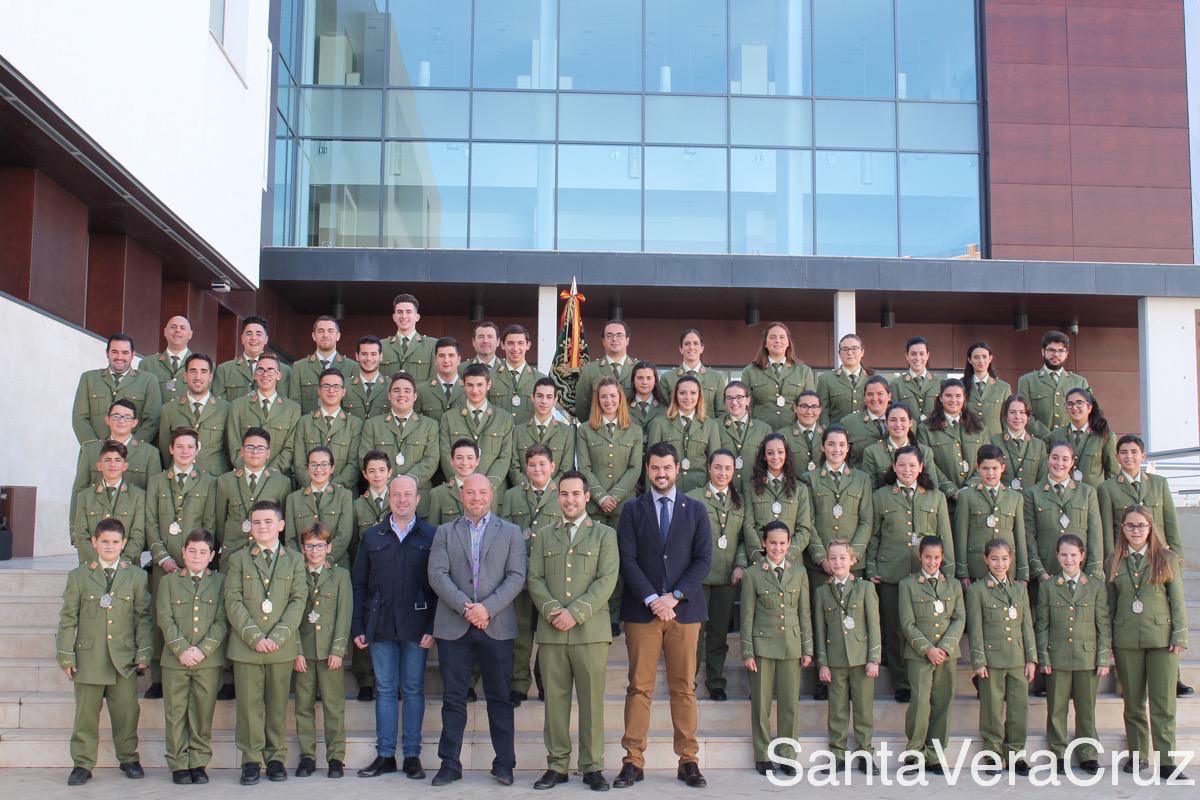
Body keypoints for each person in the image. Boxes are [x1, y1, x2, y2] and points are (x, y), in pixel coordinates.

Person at [615, 442, 712, 789]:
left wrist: (675, 596)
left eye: (666, 467)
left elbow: (703, 560)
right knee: (639, 688)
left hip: (684, 613)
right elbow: (627, 559)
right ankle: (632, 761)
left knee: (683, 688)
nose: (661, 473)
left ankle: (688, 760)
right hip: (643, 613)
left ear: (676, 469)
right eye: (655, 468)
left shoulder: (696, 510)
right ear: (647, 469)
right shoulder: (632, 510)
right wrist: (654, 598)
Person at [427, 474, 527, 787]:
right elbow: (437, 575)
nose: (476, 498)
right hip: (454, 625)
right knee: (454, 698)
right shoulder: (445, 532)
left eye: (482, 492)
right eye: (470, 492)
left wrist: (487, 609)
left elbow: (516, 577)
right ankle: (449, 763)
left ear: (491, 494)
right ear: (461, 495)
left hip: (495, 625)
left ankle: (505, 764)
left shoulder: (510, 532)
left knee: (499, 697)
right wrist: (466, 608)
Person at [527, 470, 620, 792]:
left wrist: (576, 613)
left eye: (576, 494)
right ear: (558, 496)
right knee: (555, 702)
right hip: (552, 631)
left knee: (592, 703)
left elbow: (606, 580)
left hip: (590, 631)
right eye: (564, 494)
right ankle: (557, 765)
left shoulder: (604, 535)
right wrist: (554, 610)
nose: (569, 500)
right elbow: (535, 578)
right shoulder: (543, 535)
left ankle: (593, 766)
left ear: (587, 497)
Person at [352, 475, 437, 781]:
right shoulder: (373, 536)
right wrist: (358, 625)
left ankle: (412, 755)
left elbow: (437, 586)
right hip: (381, 624)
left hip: (416, 626)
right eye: (397, 495)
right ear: (389, 498)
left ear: (418, 499)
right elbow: (360, 583)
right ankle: (386, 755)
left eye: (408, 495)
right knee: (386, 689)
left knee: (413, 690)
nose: (402, 500)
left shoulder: (431, 535)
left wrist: (432, 625)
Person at [56, 517, 153, 786]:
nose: (110, 546)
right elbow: (68, 619)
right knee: (86, 715)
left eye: (115, 542)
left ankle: (129, 758)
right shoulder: (79, 576)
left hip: (123, 658)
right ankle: (82, 763)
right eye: (105, 541)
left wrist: (143, 653)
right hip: (89, 658)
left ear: (124, 544)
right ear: (94, 543)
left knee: (126, 712)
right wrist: (66, 654)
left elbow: (143, 617)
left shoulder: (136, 575)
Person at [225, 500, 307, 785]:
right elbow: (233, 600)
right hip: (247, 646)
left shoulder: (295, 559)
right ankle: (250, 759)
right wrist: (255, 636)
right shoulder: (238, 559)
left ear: (281, 525)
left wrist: (278, 636)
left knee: (276, 705)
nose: (262, 527)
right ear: (250, 526)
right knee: (249, 705)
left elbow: (298, 601)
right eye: (257, 522)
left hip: (280, 647)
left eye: (268, 522)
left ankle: (275, 758)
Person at [867, 446, 953, 704]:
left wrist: (948, 571)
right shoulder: (881, 496)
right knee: (895, 628)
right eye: (901, 465)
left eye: (912, 465)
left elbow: (944, 535)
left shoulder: (935, 497)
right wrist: (871, 567)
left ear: (921, 467)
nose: (907, 470)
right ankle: (902, 682)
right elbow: (874, 535)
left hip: (925, 573)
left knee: (927, 627)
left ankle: (927, 679)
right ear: (893, 467)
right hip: (891, 572)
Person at [1108, 505, 1189, 778]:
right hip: (1126, 639)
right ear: (1123, 529)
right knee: (1133, 701)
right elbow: (1109, 605)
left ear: (1150, 528)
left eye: (1141, 525)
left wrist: (1179, 635)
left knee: (1163, 702)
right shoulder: (1114, 561)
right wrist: (1107, 641)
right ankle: (1138, 755)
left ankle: (1166, 761)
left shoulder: (1166, 558)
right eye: (1130, 525)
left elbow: (1177, 601)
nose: (1135, 531)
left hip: (1161, 640)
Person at [801, 426, 874, 699]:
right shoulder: (809, 479)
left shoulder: (861, 479)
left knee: (854, 621)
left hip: (853, 565)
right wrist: (822, 558)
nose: (836, 449)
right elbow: (807, 521)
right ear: (822, 447)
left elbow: (866, 520)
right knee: (823, 620)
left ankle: (854, 678)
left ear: (848, 448)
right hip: (820, 566)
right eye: (831, 444)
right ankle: (822, 678)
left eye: (841, 445)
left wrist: (850, 555)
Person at [145, 427, 217, 699]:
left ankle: (193, 666)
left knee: (190, 617)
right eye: (180, 446)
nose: (185, 451)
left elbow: (210, 523)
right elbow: (150, 522)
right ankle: (158, 677)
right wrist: (162, 558)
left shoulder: (208, 482)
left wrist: (198, 559)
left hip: (195, 563)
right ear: (171, 450)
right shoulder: (157, 481)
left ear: (198, 450)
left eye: (190, 446)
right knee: (161, 616)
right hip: (164, 564)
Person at [1035, 534, 1111, 775]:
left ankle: (1088, 754)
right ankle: (1058, 753)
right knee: (1056, 708)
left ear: (1082, 556)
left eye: (1073, 554)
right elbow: (1042, 625)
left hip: (1086, 658)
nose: (1069, 559)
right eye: (1064, 554)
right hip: (1057, 659)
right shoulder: (1048, 587)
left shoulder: (1096, 586)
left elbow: (1103, 625)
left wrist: (1102, 658)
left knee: (1086, 709)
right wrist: (1043, 658)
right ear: (1057, 556)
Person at [739, 521, 810, 777]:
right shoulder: (752, 574)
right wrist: (747, 652)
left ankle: (788, 755)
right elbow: (746, 616)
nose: (777, 548)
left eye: (782, 543)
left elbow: (804, 613)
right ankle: (763, 754)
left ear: (789, 543)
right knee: (761, 704)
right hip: (762, 646)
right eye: (772, 543)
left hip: (791, 646)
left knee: (790, 704)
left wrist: (807, 648)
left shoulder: (799, 572)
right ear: (764, 544)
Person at [156, 528, 226, 785]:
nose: (197, 556)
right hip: (176, 659)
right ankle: (178, 763)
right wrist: (182, 649)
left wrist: (202, 650)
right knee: (175, 713)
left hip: (207, 660)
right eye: (192, 550)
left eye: (203, 552)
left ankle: (198, 762)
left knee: (202, 712)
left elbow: (221, 621)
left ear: (212, 555)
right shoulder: (169, 582)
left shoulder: (220, 582)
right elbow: (165, 617)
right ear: (183, 552)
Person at [966, 538, 1037, 774]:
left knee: (1018, 709)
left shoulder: (1019, 589)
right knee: (992, 711)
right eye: (994, 559)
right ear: (986, 560)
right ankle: (993, 754)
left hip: (1017, 658)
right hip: (992, 660)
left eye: (1004, 559)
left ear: (1011, 559)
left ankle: (1016, 754)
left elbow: (1027, 625)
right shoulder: (977, 590)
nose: (1000, 563)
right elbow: (975, 628)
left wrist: (1031, 658)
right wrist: (978, 660)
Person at [500, 444, 562, 705]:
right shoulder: (514, 496)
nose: (537, 469)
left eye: (542, 464)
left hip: (550, 579)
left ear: (553, 467)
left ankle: (547, 682)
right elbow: (504, 534)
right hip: (520, 577)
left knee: (548, 637)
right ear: (526, 468)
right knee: (521, 633)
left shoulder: (562, 495)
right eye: (532, 464)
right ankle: (518, 683)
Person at [813, 539, 881, 774]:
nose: (838, 562)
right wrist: (822, 663)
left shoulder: (865, 589)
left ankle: (865, 754)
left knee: (863, 709)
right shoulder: (822, 592)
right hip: (836, 659)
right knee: (837, 710)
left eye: (843, 557)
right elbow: (819, 630)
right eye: (833, 558)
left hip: (862, 659)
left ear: (853, 560)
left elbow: (874, 626)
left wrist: (874, 658)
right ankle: (837, 755)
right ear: (827, 561)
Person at [898, 536, 964, 774]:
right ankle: (914, 753)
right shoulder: (908, 584)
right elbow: (907, 623)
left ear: (942, 557)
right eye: (927, 557)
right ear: (920, 557)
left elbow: (959, 618)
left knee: (942, 703)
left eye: (936, 557)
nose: (932, 562)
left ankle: (935, 754)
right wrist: (928, 649)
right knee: (920, 704)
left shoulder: (953, 585)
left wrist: (944, 648)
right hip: (920, 654)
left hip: (947, 655)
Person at [292, 522, 353, 779]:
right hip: (304, 652)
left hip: (330, 653)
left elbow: (344, 614)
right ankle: (307, 756)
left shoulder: (340, 576)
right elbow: (290, 615)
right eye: (309, 546)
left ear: (329, 547)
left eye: (319, 546)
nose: (314, 551)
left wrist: (339, 649)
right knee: (303, 706)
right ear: (302, 548)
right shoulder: (295, 574)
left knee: (333, 705)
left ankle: (336, 757)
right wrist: (295, 650)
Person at [688, 449, 746, 702]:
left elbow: (745, 539)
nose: (723, 473)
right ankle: (687, 680)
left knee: (719, 633)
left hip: (726, 577)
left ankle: (715, 681)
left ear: (734, 472)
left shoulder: (740, 501)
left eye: (728, 469)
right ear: (709, 468)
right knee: (693, 633)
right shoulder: (693, 498)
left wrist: (741, 564)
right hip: (699, 577)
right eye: (718, 467)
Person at [359, 371, 440, 516]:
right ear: (389, 395)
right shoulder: (372, 424)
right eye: (396, 390)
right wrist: (387, 485)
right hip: (382, 496)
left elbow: (431, 460)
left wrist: (407, 483)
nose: (402, 394)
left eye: (407, 391)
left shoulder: (430, 425)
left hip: (418, 496)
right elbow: (364, 459)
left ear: (415, 396)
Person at [348, 450, 392, 702]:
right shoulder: (356, 505)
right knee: (364, 621)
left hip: (391, 572)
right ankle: (365, 679)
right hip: (366, 572)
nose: (377, 475)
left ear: (389, 473)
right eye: (371, 471)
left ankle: (387, 677)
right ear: (364, 474)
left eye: (381, 470)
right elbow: (354, 541)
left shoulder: (397, 502)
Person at [71, 399, 162, 520]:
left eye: (127, 417)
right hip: (96, 526)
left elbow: (154, 497)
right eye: (116, 416)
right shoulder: (90, 451)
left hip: (134, 527)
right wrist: (74, 532)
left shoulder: (149, 453)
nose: (122, 421)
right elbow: (79, 491)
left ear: (135, 422)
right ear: (107, 420)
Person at [214, 428, 292, 565]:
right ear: (242, 452)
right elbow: (220, 522)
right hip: (233, 553)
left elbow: (283, 524)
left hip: (266, 555)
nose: (255, 452)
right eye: (250, 447)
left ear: (268, 453)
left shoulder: (281, 483)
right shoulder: (226, 481)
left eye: (261, 448)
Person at [953, 444, 1028, 584]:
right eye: (985, 468)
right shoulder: (967, 496)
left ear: (1002, 468)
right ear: (978, 468)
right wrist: (963, 572)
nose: (990, 473)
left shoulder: (1015, 498)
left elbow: (1020, 537)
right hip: (977, 568)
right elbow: (960, 535)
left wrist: (1023, 573)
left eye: (995, 468)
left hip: (1007, 570)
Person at [576, 377, 644, 530]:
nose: (608, 400)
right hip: (594, 506)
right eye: (603, 396)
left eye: (613, 395)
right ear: (597, 399)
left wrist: (614, 497)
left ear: (620, 398)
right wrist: (602, 497)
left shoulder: (634, 431)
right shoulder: (585, 430)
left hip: (624, 506)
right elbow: (584, 468)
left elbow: (635, 468)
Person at [72, 333, 162, 445]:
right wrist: (94, 448)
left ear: (133, 354)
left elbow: (152, 420)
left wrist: (132, 447)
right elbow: (79, 419)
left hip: (132, 457)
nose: (119, 357)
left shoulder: (148, 380)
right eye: (115, 352)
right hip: (95, 455)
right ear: (107, 353)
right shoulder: (89, 379)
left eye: (125, 352)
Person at [438, 363, 515, 490]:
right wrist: (462, 484)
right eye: (470, 385)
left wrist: (485, 486)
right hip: (459, 492)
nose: (475, 390)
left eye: (480, 385)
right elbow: (446, 455)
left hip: (492, 492)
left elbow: (504, 457)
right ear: (463, 385)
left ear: (488, 385)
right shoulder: (449, 418)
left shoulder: (504, 419)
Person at [741, 433, 813, 567]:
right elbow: (748, 525)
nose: (776, 457)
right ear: (764, 456)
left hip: (791, 564)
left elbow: (804, 529)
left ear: (786, 455)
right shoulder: (750, 487)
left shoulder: (800, 488)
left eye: (780, 452)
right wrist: (761, 558)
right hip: (761, 562)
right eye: (770, 453)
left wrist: (787, 556)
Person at [225, 353, 301, 478]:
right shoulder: (238, 406)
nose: (265, 374)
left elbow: (290, 449)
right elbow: (234, 446)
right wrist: (250, 472)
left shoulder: (292, 409)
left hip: (278, 479)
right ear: (255, 375)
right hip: (244, 478)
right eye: (260, 370)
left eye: (271, 370)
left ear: (278, 375)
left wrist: (268, 474)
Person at [70, 441, 146, 564]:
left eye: (118, 460)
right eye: (108, 460)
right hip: (93, 566)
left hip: (126, 566)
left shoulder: (138, 496)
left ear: (125, 466)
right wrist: (98, 562)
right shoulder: (85, 496)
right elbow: (81, 535)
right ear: (99, 466)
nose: (113, 464)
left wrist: (122, 562)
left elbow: (138, 535)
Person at [646, 374, 721, 494]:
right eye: (682, 393)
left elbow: (716, 464)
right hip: (668, 490)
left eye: (693, 393)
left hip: (700, 491)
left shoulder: (710, 425)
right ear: (676, 395)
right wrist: (650, 496)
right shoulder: (660, 423)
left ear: (699, 396)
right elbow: (651, 464)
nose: (688, 397)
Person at [159, 353, 231, 476]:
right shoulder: (169, 409)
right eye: (193, 371)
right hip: (179, 478)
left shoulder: (226, 409)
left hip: (213, 480)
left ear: (210, 376)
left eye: (203, 371)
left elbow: (229, 450)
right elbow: (166, 450)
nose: (198, 377)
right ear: (185, 376)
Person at [292, 368, 365, 489]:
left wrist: (333, 488)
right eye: (326, 386)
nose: (331, 390)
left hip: (343, 494)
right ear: (319, 391)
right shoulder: (304, 422)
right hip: (309, 493)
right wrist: (315, 487)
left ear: (343, 391)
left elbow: (354, 465)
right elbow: (299, 464)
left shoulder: (355, 424)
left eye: (336, 386)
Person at [919, 378, 989, 500]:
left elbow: (987, 459)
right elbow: (927, 463)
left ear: (964, 398)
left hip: (976, 497)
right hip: (943, 498)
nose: (953, 400)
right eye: (948, 396)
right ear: (940, 398)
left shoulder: (979, 427)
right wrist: (950, 490)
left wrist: (969, 487)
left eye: (958, 396)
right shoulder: (925, 428)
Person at [741, 322, 816, 431]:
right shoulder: (750, 371)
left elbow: (811, 405)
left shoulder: (804, 371)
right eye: (772, 337)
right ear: (765, 343)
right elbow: (745, 406)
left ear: (788, 343)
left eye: (782, 337)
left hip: (794, 433)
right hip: (760, 433)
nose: (777, 341)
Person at [285, 446, 354, 564]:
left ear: (332, 468)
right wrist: (301, 563)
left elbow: (344, 536)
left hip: (335, 565)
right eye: (313, 464)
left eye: (324, 464)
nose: (318, 469)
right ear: (307, 468)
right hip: (302, 566)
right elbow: (290, 539)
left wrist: (327, 560)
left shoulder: (344, 496)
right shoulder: (293, 499)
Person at [1017, 331, 1089, 438]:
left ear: (1066, 354)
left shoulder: (1080, 382)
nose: (1056, 354)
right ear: (1043, 351)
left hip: (1071, 443)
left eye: (1061, 351)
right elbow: (1025, 414)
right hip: (1039, 443)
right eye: (1051, 350)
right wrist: (1049, 437)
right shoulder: (1026, 381)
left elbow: (1087, 414)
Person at [509, 377, 576, 486]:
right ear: (532, 397)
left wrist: (548, 491)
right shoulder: (518, 431)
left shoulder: (567, 432)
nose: (544, 401)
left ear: (555, 400)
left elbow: (566, 469)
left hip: (554, 496)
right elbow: (514, 467)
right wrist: (529, 490)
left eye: (549, 397)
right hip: (523, 493)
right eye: (540, 396)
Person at [1045, 388, 1117, 488]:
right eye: (1070, 404)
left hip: (1094, 499)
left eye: (1079, 403)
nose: (1074, 407)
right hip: (1064, 498)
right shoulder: (1055, 436)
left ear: (1089, 407)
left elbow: (1113, 475)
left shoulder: (1105, 436)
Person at [860, 402, 941, 490]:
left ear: (910, 423)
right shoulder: (872, 452)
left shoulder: (924, 452)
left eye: (903, 420)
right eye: (893, 420)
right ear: (886, 423)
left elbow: (933, 489)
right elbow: (870, 490)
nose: (898, 424)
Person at [213, 315, 292, 402]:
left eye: (258, 334)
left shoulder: (283, 370)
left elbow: (285, 405)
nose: (253, 338)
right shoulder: (225, 369)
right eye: (248, 334)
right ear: (242, 338)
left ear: (266, 339)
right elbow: (219, 407)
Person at [575, 319, 637, 422]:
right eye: (609, 335)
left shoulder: (639, 369)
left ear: (627, 340)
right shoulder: (590, 370)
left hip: (632, 433)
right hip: (599, 432)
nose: (614, 339)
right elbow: (582, 407)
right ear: (603, 341)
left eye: (619, 335)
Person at [660, 328, 728, 416]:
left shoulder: (716, 378)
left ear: (702, 348)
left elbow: (721, 413)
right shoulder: (667, 378)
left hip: (707, 429)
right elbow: (663, 411)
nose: (691, 347)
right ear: (681, 349)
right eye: (687, 344)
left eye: (696, 343)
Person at [290, 316, 350, 415]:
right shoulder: (299, 367)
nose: (325, 335)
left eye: (330, 331)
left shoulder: (352, 367)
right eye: (321, 331)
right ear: (314, 336)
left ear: (338, 336)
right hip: (308, 428)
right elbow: (294, 404)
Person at [717, 380, 770, 488]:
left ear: (748, 400)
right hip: (725, 489)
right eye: (729, 398)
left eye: (739, 397)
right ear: (724, 402)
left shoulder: (763, 429)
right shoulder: (715, 426)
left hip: (753, 489)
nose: (734, 402)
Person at [490, 324, 545, 423]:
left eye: (520, 343)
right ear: (502, 345)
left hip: (528, 437)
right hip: (499, 437)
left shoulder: (540, 380)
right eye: (510, 343)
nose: (515, 348)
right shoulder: (489, 377)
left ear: (528, 345)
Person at [990, 394, 1047, 491]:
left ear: (1028, 416)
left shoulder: (1038, 445)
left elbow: (1043, 480)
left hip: (1030, 503)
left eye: (1022, 412)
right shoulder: (994, 442)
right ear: (1006, 415)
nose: (1017, 417)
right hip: (1003, 501)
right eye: (1013, 412)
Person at [381, 293, 437, 381]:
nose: (404, 316)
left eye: (408, 312)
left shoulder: (432, 345)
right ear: (394, 317)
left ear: (417, 317)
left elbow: (434, 381)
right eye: (399, 312)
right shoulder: (381, 346)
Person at [838, 375, 891, 469]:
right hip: (860, 480)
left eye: (880, 393)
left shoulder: (903, 422)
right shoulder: (849, 423)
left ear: (889, 396)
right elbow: (841, 460)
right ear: (864, 397)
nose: (875, 398)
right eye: (870, 394)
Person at [817, 334, 870, 426]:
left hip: (867, 436)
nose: (849, 353)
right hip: (837, 436)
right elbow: (823, 413)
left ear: (862, 352)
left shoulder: (872, 378)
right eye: (845, 349)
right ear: (839, 354)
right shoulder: (826, 379)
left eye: (854, 348)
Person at [426, 439, 481, 526]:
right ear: (452, 461)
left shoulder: (488, 492)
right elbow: (433, 532)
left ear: (477, 461)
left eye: (470, 458)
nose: (464, 463)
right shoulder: (438, 494)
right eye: (459, 458)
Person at [961, 341, 1012, 437]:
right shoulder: (960, 385)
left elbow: (1006, 419)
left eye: (984, 357)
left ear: (990, 358)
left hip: (995, 443)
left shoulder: (1003, 387)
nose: (981, 361)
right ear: (969, 360)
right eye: (976, 357)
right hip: (968, 441)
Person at [141, 315, 194, 404]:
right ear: (165, 332)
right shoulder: (147, 364)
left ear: (190, 334)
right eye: (173, 327)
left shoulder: (202, 365)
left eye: (182, 328)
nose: (177, 330)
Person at [889, 337, 939, 422]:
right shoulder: (896, 384)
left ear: (928, 355)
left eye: (921, 354)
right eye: (913, 354)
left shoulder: (939, 383)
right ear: (906, 356)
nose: (917, 358)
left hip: (933, 433)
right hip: (908, 434)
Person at [414, 337, 464, 422]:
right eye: (441, 356)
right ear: (435, 360)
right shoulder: (421, 391)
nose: (446, 360)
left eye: (451, 355)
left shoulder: (468, 390)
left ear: (459, 359)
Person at [343, 335, 389, 420]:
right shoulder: (344, 386)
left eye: (373, 354)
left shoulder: (391, 386)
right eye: (364, 354)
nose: (368, 358)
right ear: (357, 356)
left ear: (381, 356)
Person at [778, 390, 824, 473]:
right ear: (795, 408)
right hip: (793, 484)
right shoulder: (782, 436)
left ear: (820, 409)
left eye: (814, 407)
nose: (809, 412)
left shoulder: (827, 435)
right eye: (804, 406)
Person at [627, 361, 667, 436]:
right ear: (633, 380)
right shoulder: (624, 406)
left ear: (655, 381)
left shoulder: (664, 407)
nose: (644, 382)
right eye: (640, 378)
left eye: (649, 378)